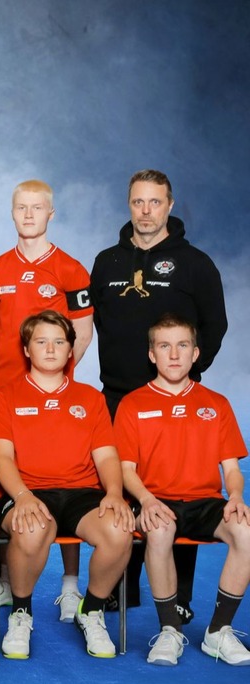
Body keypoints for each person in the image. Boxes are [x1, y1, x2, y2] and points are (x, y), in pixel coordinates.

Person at [90, 169, 228, 616]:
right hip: (117, 397)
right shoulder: (107, 262)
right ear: (128, 205)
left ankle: (179, 600)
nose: (146, 211)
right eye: (138, 202)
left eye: (155, 202)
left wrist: (184, 376)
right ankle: (119, 588)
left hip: (175, 399)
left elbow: (215, 324)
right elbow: (97, 322)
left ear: (170, 205)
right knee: (123, 491)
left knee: (180, 492)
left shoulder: (195, 264)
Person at [0, 310, 133, 660]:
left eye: (59, 342)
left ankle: (91, 609)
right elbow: (2, 458)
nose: (51, 349)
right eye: (41, 341)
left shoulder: (91, 398)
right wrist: (22, 496)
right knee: (30, 528)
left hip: (81, 493)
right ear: (27, 349)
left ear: (71, 350)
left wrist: (115, 493)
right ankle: (21, 613)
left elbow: (106, 457)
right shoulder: (4, 397)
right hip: (27, 490)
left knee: (120, 528)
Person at [0, 179, 94, 622]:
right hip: (4, 392)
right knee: (7, 481)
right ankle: (4, 578)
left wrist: (53, 378)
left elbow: (82, 331)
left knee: (69, 480)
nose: (29, 215)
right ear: (12, 212)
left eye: (37, 208)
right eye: (21, 208)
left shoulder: (71, 269)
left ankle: (70, 586)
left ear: (51, 213)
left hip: (55, 395)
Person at [116, 314, 250, 665]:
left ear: (195, 353)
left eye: (182, 345)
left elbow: (232, 470)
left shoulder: (217, 404)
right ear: (152, 354)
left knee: (246, 531)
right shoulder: (132, 404)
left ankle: (218, 632)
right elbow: (126, 471)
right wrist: (146, 500)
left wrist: (236, 497)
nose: (174, 354)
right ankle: (170, 630)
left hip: (205, 502)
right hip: (155, 500)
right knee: (159, 530)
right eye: (165, 346)